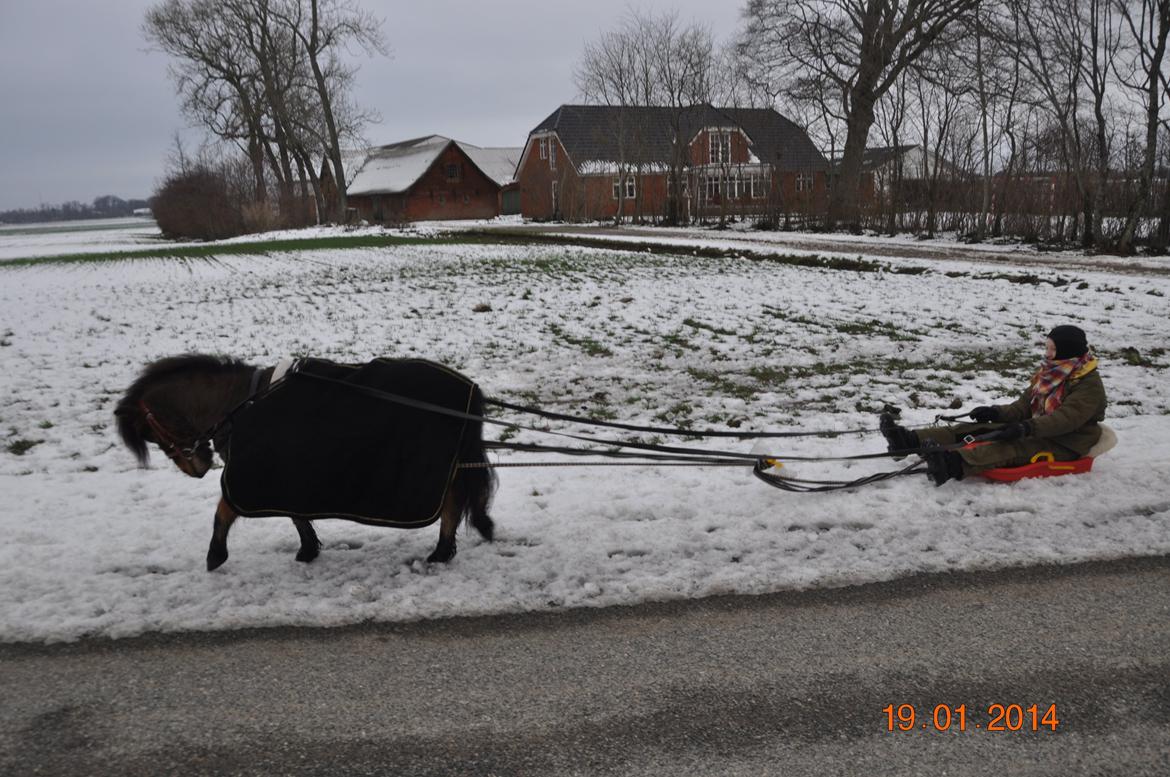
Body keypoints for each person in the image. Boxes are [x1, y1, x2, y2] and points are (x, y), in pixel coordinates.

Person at [881, 325, 1108, 486]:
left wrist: (1026, 428)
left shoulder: (1088, 385)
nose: (1047, 354)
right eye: (1047, 348)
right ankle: (908, 441)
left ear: (1066, 352)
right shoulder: (1051, 374)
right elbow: (1023, 407)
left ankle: (951, 464)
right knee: (979, 430)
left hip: (1068, 442)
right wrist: (995, 412)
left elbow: (1066, 420)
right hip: (1038, 428)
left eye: (1052, 350)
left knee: (1011, 446)